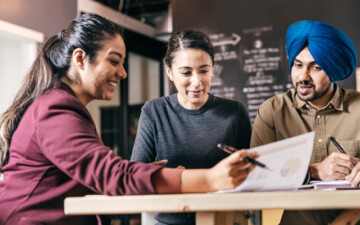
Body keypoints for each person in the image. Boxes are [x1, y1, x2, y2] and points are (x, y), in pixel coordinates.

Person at [0, 14, 257, 225]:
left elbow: (101, 175)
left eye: (204, 70)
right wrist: (210, 178)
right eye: (114, 61)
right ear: (80, 59)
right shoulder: (55, 109)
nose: (123, 73)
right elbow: (113, 174)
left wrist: (150, 173)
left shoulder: (63, 106)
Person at [251, 20, 360, 225]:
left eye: (316, 67)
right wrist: (314, 171)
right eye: (297, 65)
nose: (303, 76)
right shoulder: (272, 112)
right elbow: (255, 172)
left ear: (333, 69)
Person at [131, 30, 252, 225]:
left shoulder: (235, 113)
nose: (197, 82)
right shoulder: (154, 111)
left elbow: (251, 175)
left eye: (204, 71)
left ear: (213, 68)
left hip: (224, 220)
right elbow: (136, 176)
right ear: (169, 71)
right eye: (186, 72)